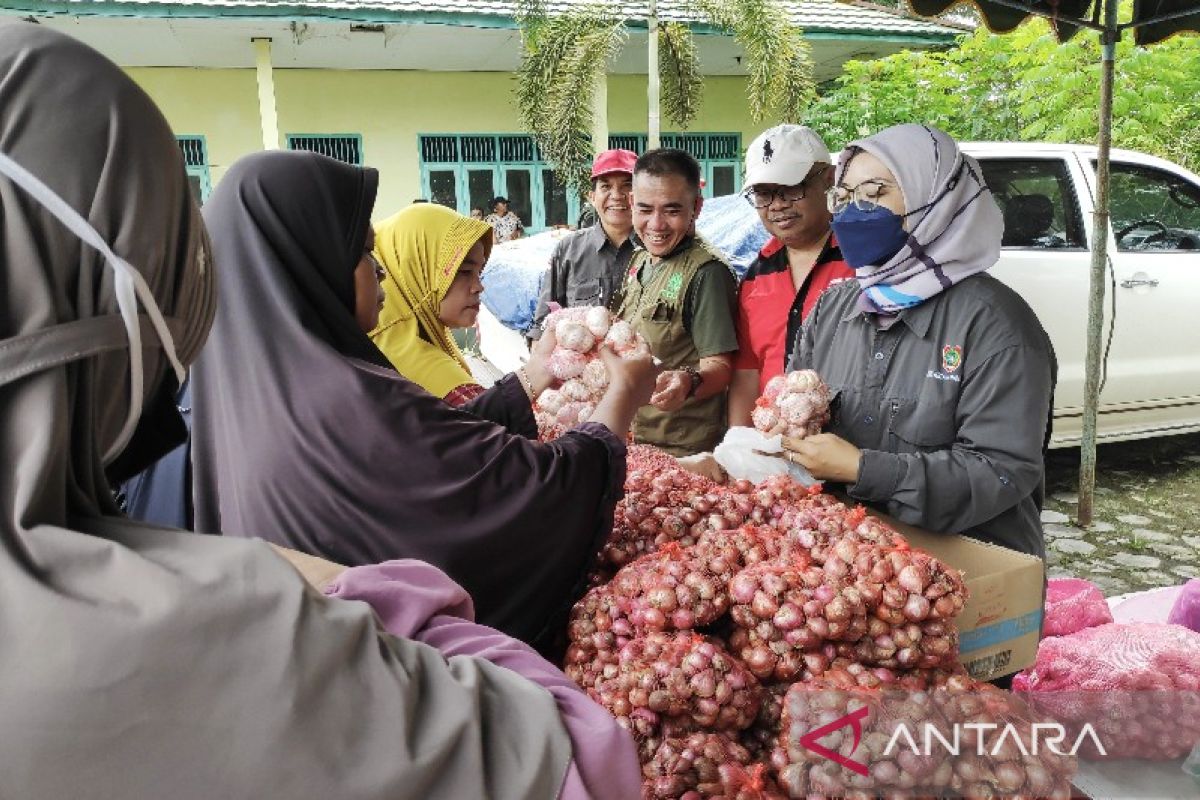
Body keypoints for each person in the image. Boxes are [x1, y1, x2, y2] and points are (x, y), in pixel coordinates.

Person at [0, 24, 639, 798]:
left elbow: (438, 438)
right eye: (360, 252)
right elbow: (576, 749)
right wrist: (612, 415)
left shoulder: (230, 392)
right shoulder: (194, 627)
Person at [189, 149, 658, 651]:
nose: (382, 272)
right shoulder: (346, 399)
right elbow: (522, 489)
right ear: (310, 263)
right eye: (363, 254)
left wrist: (535, 373)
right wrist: (622, 399)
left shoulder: (242, 389)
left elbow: (438, 438)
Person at [783, 124, 1056, 558]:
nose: (856, 211)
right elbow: (793, 408)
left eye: (876, 192)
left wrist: (862, 468)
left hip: (968, 570)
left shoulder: (997, 325)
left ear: (936, 199)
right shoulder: (834, 307)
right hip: (853, 565)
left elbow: (1002, 470)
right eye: (845, 195)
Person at [614, 148, 739, 457]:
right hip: (635, 436)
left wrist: (688, 381)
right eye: (645, 209)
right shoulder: (640, 258)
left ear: (696, 207)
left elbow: (721, 367)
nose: (656, 225)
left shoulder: (706, 272)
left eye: (671, 210)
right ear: (631, 204)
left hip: (683, 449)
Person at [728, 125, 854, 427]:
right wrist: (738, 446)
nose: (777, 205)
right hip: (773, 453)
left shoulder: (865, 263)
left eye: (790, 189)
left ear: (828, 178)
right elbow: (748, 373)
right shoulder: (756, 276)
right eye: (763, 194)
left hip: (850, 453)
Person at [369, 203, 500, 406]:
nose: (478, 286)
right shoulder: (430, 380)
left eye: (479, 271)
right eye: (464, 271)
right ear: (415, 272)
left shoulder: (424, 337)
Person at [531, 149, 638, 339]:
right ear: (592, 196)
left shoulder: (655, 249)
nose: (617, 195)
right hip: (579, 366)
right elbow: (543, 323)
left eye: (627, 186)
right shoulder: (568, 250)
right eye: (605, 187)